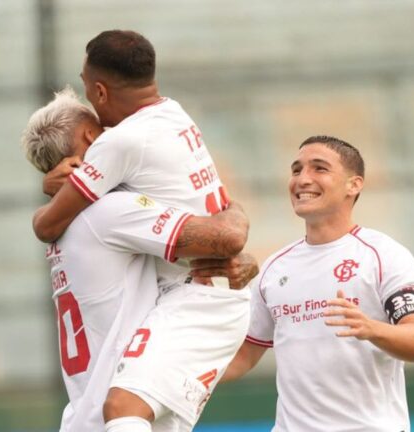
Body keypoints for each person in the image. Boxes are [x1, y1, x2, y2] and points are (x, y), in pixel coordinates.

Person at [22, 86, 257, 431]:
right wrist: (235, 211)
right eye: (104, 134)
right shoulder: (110, 211)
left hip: (86, 412)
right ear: (92, 137)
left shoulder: (66, 225)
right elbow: (222, 238)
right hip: (121, 413)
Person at [221, 136, 414, 432]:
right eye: (296, 170)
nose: (302, 179)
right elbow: (244, 355)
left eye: (319, 168)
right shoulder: (274, 268)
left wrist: (371, 328)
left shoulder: (383, 256)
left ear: (354, 184)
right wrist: (178, 377)